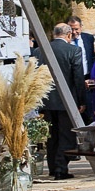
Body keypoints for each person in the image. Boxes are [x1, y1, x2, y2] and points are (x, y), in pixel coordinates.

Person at [34, 23, 89, 179]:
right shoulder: (73, 50)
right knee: (66, 135)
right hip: (67, 99)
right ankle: (60, 168)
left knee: (52, 136)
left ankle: (53, 167)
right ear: (69, 35)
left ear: (53, 34)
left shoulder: (39, 51)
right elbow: (78, 78)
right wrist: (81, 101)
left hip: (47, 100)